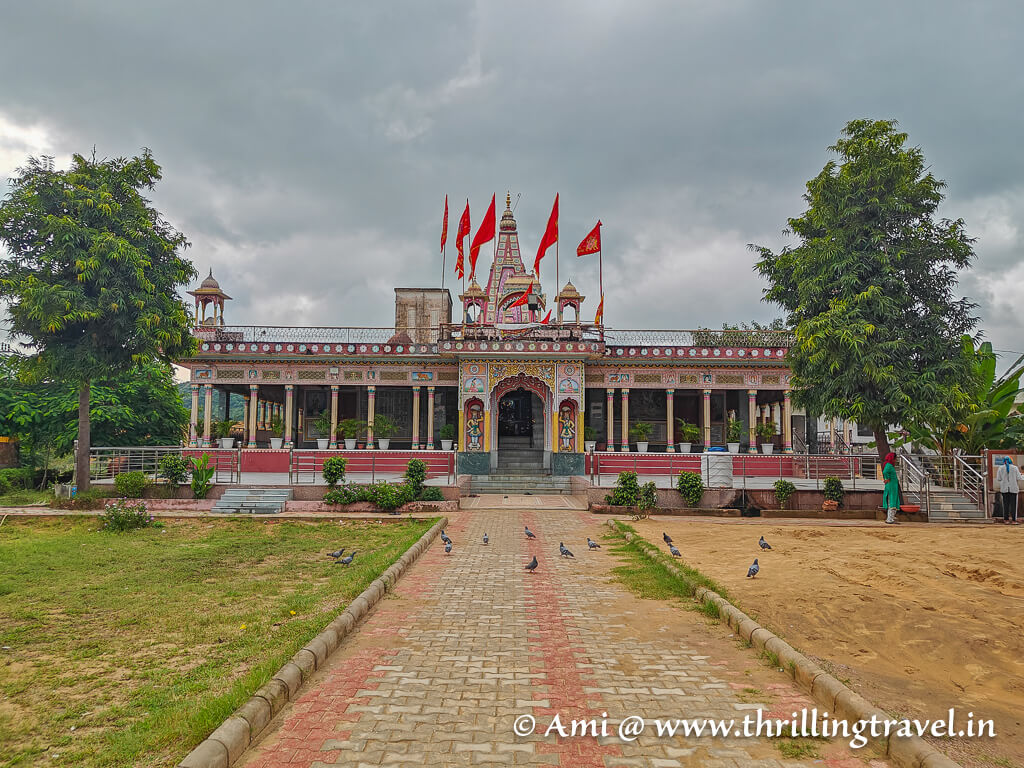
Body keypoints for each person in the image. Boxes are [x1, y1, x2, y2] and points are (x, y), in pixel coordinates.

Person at [995, 456, 1022, 525]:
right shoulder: (1015, 468)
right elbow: (1019, 477)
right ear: (1011, 461)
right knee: (1013, 505)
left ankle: (1006, 520)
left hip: (1004, 489)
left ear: (1004, 461)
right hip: (1013, 489)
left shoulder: (1000, 468)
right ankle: (1013, 520)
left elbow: (998, 478)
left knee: (1005, 505)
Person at [882, 452, 900, 524]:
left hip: (893, 485)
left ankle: (891, 517)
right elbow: (885, 472)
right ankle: (889, 519)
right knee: (892, 501)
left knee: (893, 500)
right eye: (895, 459)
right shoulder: (889, 465)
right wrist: (887, 478)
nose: (895, 460)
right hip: (891, 485)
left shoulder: (889, 465)